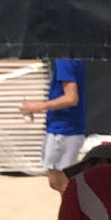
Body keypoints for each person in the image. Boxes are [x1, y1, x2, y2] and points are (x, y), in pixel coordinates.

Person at [22, 57, 87, 192]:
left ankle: (72, 212)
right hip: (64, 127)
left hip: (64, 129)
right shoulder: (72, 58)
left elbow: (71, 98)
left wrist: (37, 107)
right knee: (57, 181)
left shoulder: (64, 60)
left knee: (62, 182)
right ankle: (71, 211)